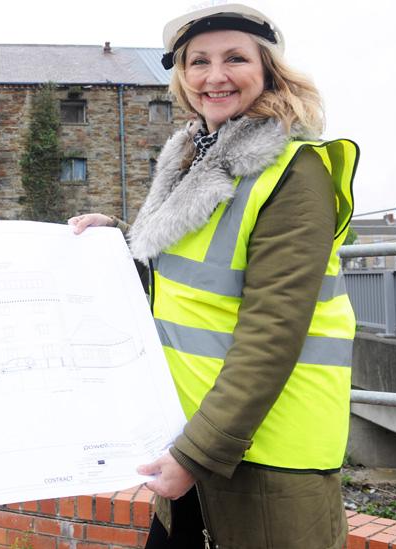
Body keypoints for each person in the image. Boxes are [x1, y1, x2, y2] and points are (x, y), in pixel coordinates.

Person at [70, 5, 357, 548]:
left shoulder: (296, 171)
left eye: (235, 58)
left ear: (269, 69)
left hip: (267, 452)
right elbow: (187, 287)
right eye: (197, 61)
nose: (214, 76)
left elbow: (271, 334)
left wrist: (193, 454)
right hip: (197, 434)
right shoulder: (196, 161)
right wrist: (121, 242)